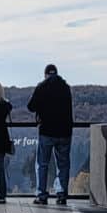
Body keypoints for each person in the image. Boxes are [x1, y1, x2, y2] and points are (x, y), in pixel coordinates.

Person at [28, 63, 73, 205]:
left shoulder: (42, 87)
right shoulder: (65, 87)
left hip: (46, 131)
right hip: (64, 131)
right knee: (63, 164)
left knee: (42, 164)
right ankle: (61, 194)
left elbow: (31, 106)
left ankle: (42, 195)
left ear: (46, 74)